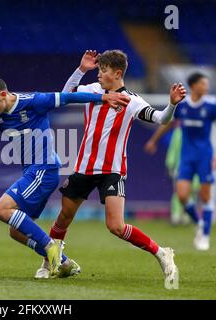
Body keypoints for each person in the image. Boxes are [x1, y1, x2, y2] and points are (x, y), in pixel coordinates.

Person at [0, 75, 130, 278]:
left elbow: (68, 97)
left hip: (44, 169)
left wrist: (103, 97)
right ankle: (64, 262)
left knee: (1, 209)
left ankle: (52, 249)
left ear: (3, 94)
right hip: (33, 172)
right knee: (17, 231)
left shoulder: (34, 102)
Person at [38, 50, 184, 283]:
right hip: (84, 167)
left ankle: (161, 252)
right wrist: (81, 70)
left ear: (117, 73)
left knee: (116, 226)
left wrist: (172, 105)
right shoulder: (91, 91)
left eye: (103, 70)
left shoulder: (132, 101)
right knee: (64, 217)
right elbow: (64, 95)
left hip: (112, 170)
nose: (99, 75)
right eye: (98, 70)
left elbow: (161, 119)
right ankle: (48, 263)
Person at [144, 72, 216, 250]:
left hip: (205, 157)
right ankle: (200, 223)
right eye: (203, 84)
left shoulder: (212, 106)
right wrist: (153, 141)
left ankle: (205, 236)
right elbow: (168, 124)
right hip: (186, 157)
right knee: (182, 195)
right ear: (194, 86)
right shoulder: (183, 106)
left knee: (205, 197)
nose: (206, 87)